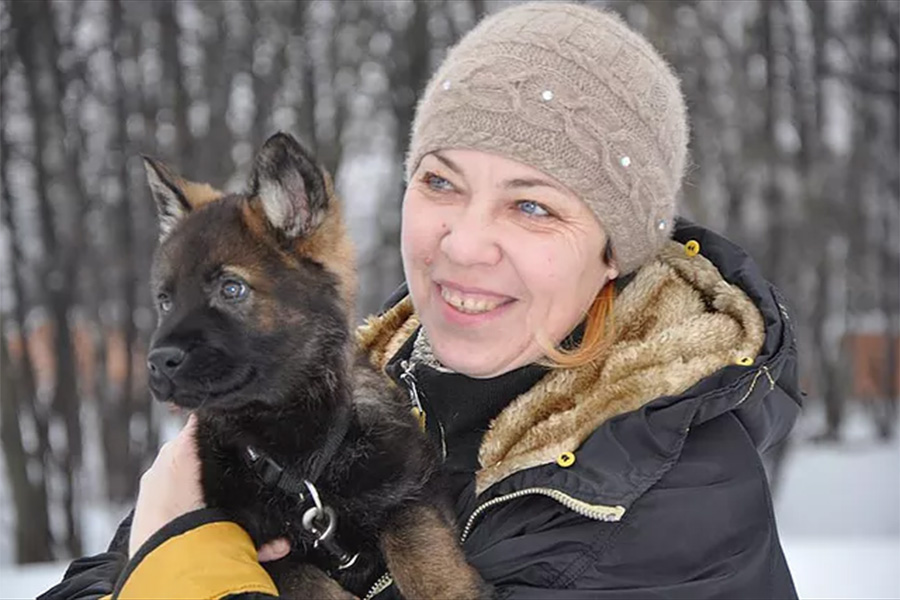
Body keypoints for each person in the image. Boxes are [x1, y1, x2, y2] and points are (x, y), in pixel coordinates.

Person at [41, 2, 800, 599]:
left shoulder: (679, 497)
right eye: (440, 182)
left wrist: (180, 561)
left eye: (532, 205)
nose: (464, 245)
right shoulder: (340, 381)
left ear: (615, 251)